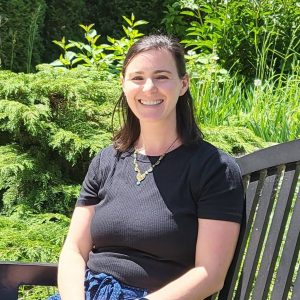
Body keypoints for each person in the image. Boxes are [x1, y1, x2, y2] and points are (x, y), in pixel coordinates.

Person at [49, 34, 244, 300]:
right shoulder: (107, 161)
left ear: (183, 84)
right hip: (89, 292)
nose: (149, 87)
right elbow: (74, 248)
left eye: (162, 76)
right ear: (124, 84)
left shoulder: (214, 169)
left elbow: (209, 274)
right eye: (137, 78)